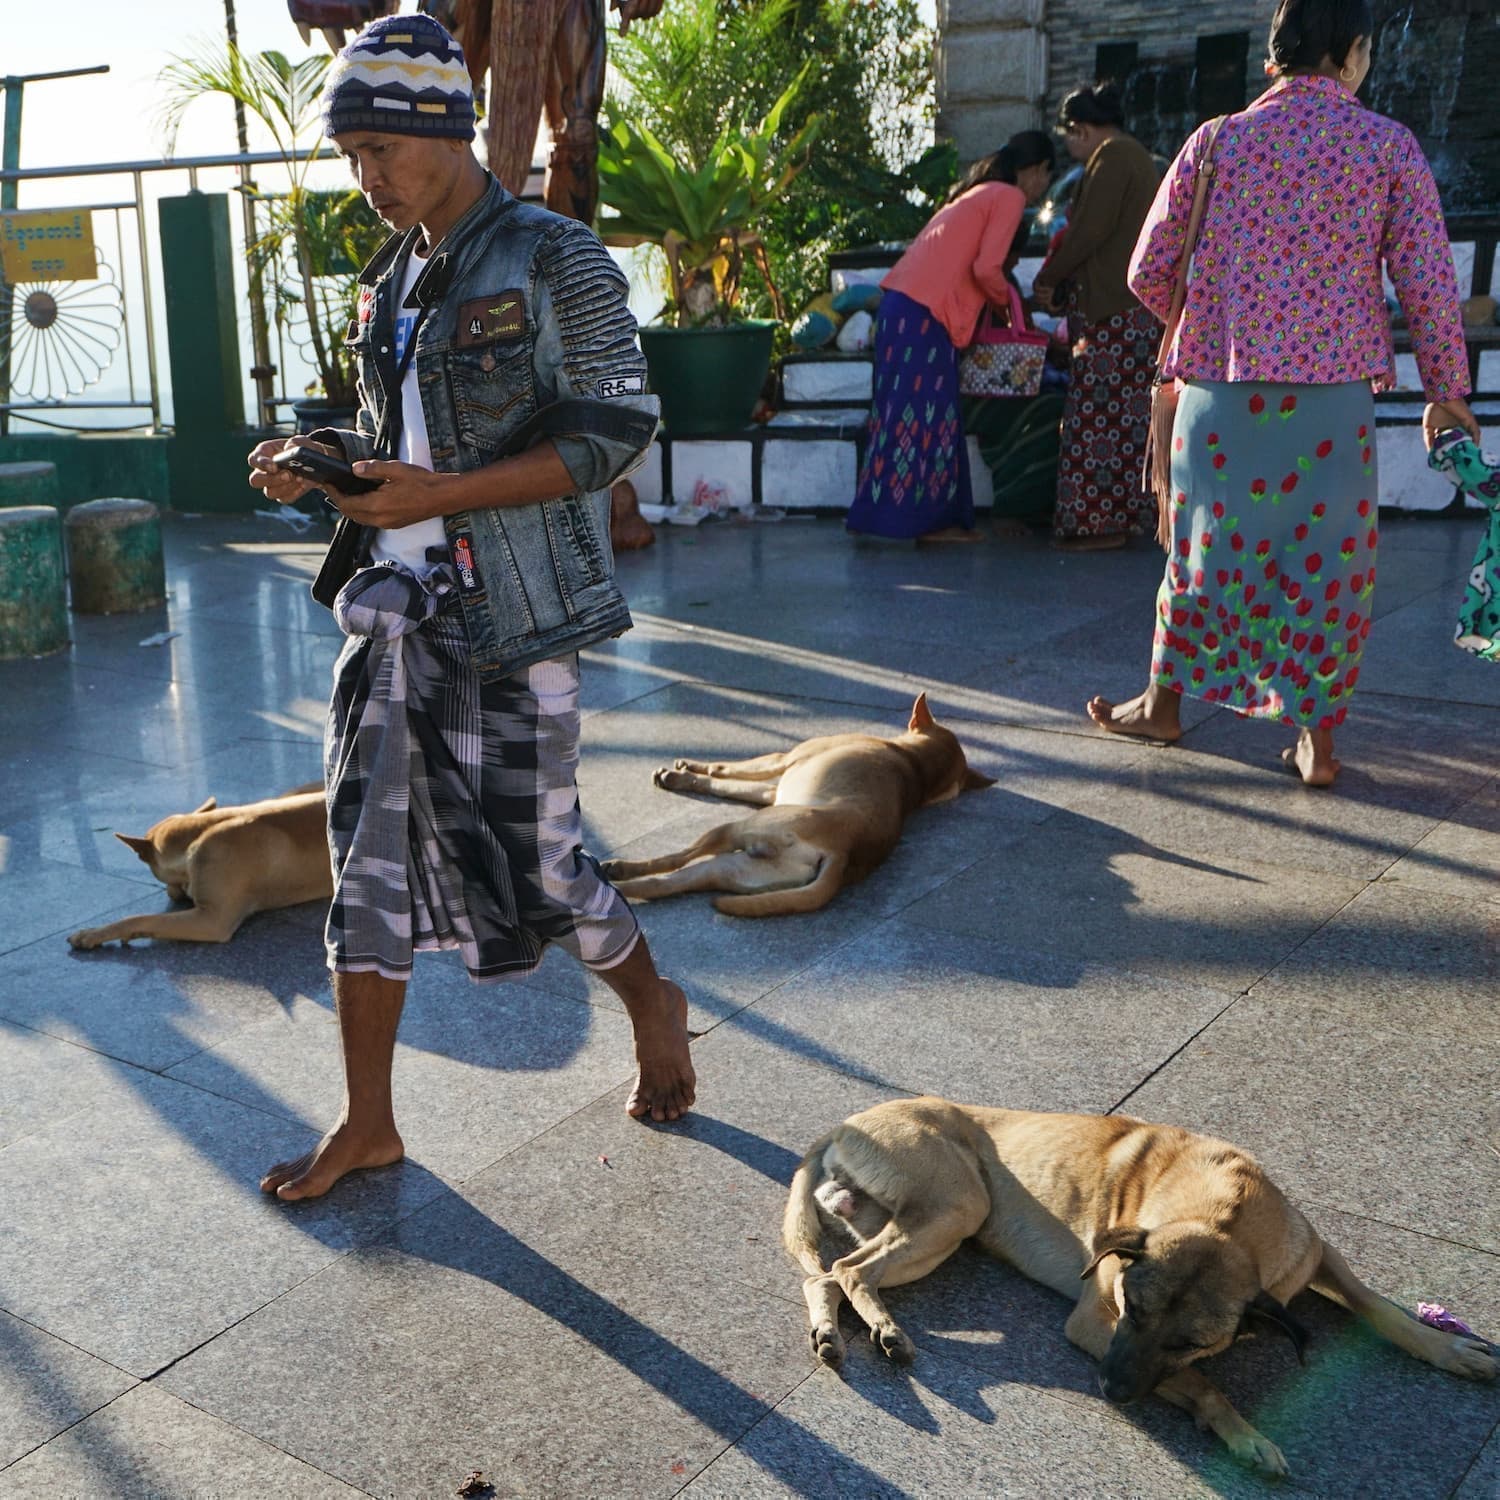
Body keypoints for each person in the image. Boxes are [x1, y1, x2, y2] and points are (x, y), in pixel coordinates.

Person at [246, 13, 695, 1201]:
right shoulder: (387, 281)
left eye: (381, 150)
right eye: (352, 155)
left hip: (515, 618)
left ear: (446, 130)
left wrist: (441, 493)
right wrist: (323, 461)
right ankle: (369, 1123)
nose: (366, 176)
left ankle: (652, 998)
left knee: (545, 871)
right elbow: (396, 442)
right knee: (363, 868)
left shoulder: (554, 256)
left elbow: (613, 429)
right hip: (390, 617)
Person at [1086, 0, 1480, 786]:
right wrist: (1447, 391)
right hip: (1330, 406)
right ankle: (1316, 744)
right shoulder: (1386, 145)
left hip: (1218, 396)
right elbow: (1430, 285)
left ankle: (1162, 707)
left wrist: (1220, 319)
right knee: (1326, 569)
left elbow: (1147, 270)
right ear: (1354, 52)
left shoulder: (1216, 140)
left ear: (1276, 54)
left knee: (1200, 555)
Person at [844, 131, 1056, 544]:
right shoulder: (1009, 196)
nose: (1045, 186)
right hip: (924, 315)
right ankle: (930, 524)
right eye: (1047, 176)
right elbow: (987, 269)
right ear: (1036, 170)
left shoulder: (975, 193)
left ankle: (890, 517)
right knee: (929, 419)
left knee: (906, 417)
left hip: (902, 310)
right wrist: (1009, 305)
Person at [1032, 83, 1163, 552]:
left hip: (1115, 314)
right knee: (1125, 420)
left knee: (1096, 421)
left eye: (1069, 134)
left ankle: (1098, 524)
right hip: (1131, 310)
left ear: (1081, 130)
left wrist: (1049, 276)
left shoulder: (1113, 157)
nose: (1069, 144)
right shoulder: (1133, 156)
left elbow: (1089, 231)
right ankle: (1122, 519)